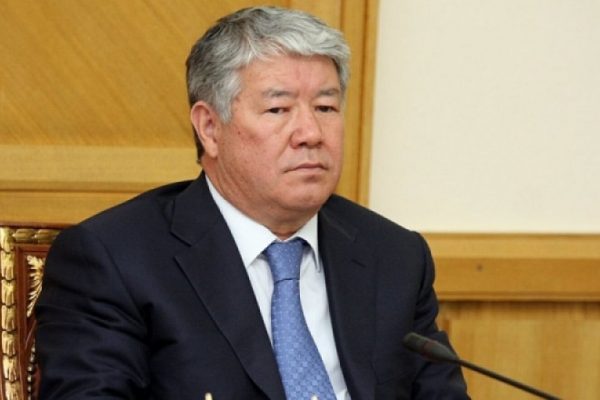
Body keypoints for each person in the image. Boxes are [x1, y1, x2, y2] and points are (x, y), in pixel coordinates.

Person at [36, 6, 469, 400]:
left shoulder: (394, 257)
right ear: (210, 128)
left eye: (325, 107)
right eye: (278, 110)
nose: (311, 133)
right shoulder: (117, 260)